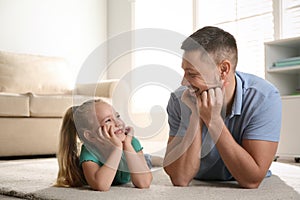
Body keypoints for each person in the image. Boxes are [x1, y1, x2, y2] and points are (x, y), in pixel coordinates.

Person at [163, 26, 281, 189]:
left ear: (223, 69)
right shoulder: (179, 100)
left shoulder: (264, 98)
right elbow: (180, 179)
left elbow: (252, 180)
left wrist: (213, 120)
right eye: (184, 72)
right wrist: (196, 116)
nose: (184, 82)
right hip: (198, 177)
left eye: (192, 74)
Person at [55, 99, 153, 191]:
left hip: (135, 161)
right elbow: (101, 185)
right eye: (108, 120)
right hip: (116, 160)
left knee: (148, 160)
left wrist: (127, 144)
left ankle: (152, 158)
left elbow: (144, 183)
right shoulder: (90, 151)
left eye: (117, 116)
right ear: (90, 136)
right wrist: (117, 148)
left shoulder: (131, 142)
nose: (118, 123)